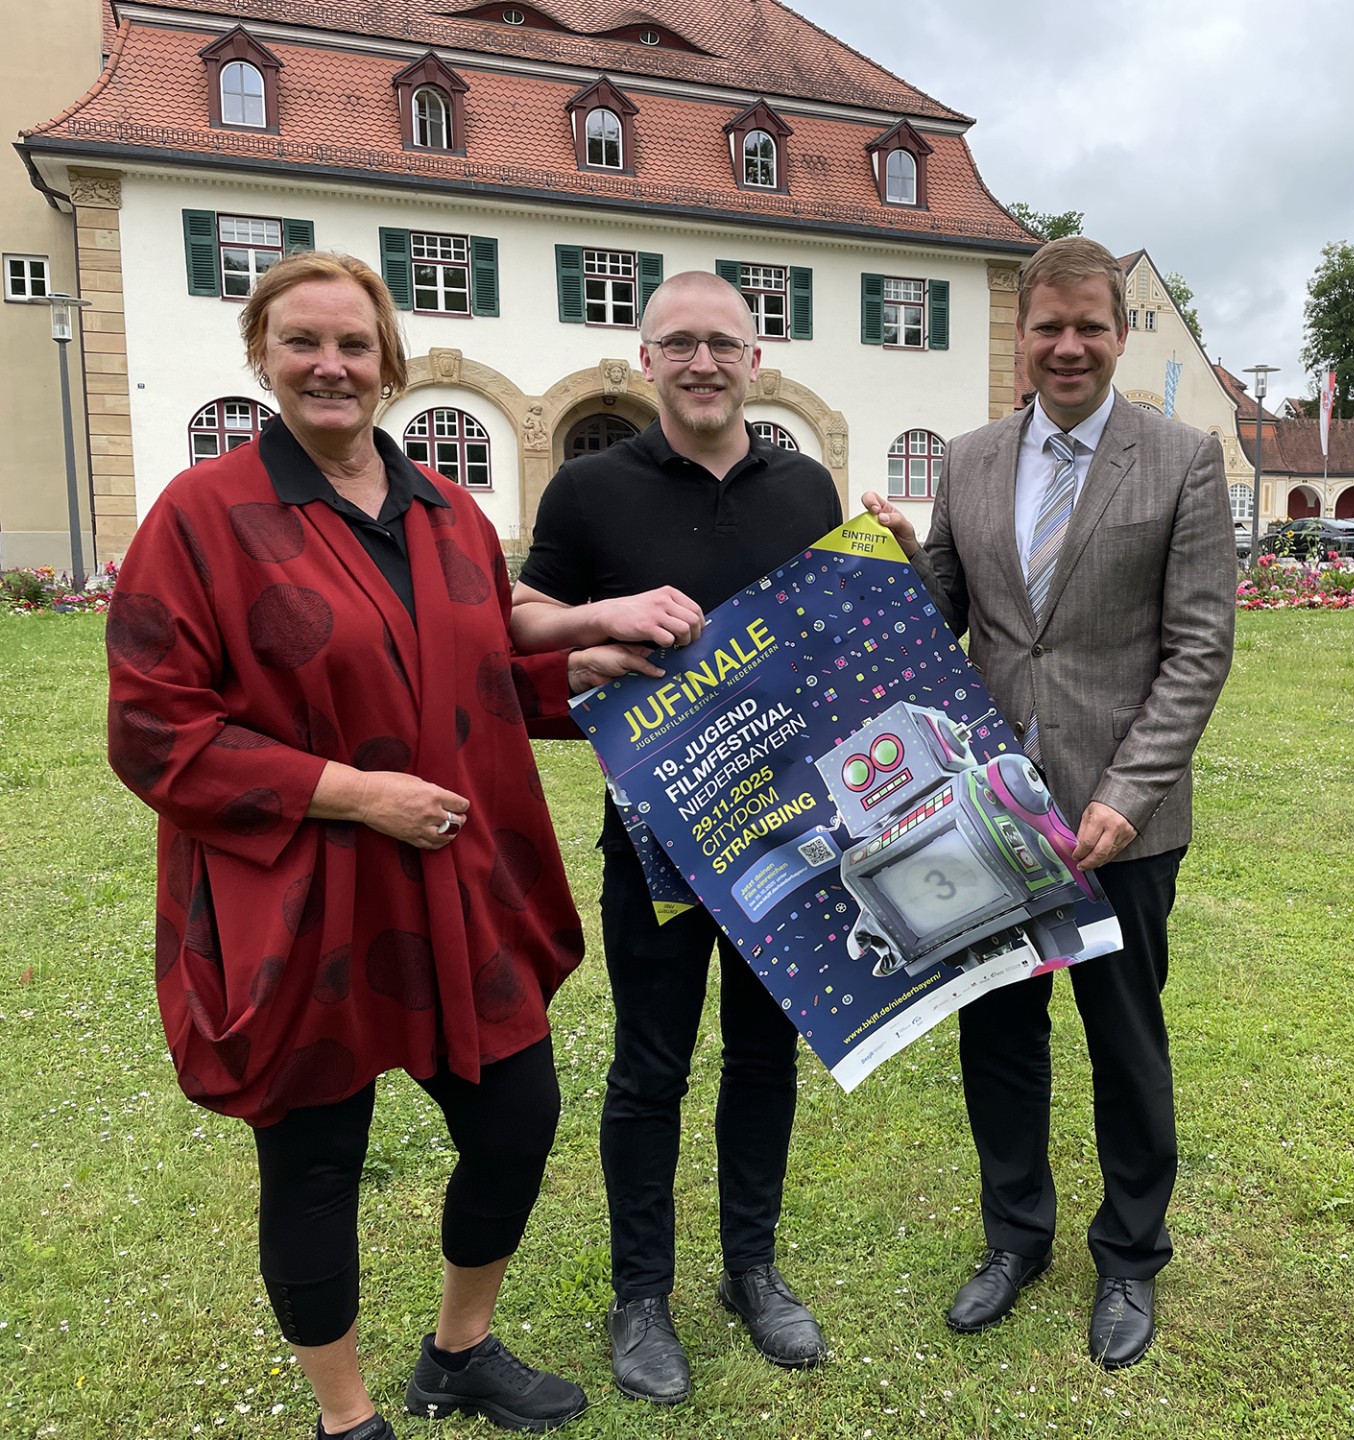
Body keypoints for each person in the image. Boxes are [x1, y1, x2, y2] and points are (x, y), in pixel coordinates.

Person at [105, 251, 650, 1438]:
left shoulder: (448, 512)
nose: (329, 365)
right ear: (263, 357)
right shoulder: (202, 516)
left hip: (457, 883)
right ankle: (345, 1416)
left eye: (353, 344)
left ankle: (459, 1351)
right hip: (306, 894)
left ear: (388, 362)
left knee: (517, 1120)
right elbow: (153, 731)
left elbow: (473, 674)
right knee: (315, 1161)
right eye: (301, 342)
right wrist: (350, 794)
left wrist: (581, 670)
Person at [862, 236, 1235, 1369]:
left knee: (1125, 1039)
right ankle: (1014, 1236)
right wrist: (902, 561)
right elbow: (949, 619)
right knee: (1001, 1039)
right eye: (1047, 327)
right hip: (985, 814)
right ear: (1020, 336)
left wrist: (1128, 794)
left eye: (1089, 327)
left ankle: (1130, 1255)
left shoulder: (1180, 458)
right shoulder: (970, 461)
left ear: (1119, 333)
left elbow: (1198, 649)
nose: (1068, 347)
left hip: (1121, 825)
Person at [510, 272, 843, 1404]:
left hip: (789, 830)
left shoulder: (805, 485)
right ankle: (641, 1295)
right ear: (645, 359)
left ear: (757, 359)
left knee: (763, 1058)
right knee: (651, 1068)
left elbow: (833, 634)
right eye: (680, 344)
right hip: (656, 834)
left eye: (724, 344)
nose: (704, 362)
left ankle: (752, 1269)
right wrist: (595, 626)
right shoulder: (590, 488)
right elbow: (521, 620)